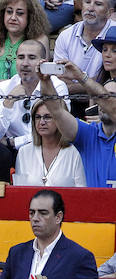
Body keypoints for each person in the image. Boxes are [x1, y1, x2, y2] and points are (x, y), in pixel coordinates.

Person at [0, 189, 102, 279]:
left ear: (58, 217)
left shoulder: (80, 257)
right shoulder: (16, 253)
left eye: (43, 213)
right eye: (32, 213)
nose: (35, 218)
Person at [40, 59, 116, 187]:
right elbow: (57, 111)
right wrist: (45, 81)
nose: (103, 102)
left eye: (111, 97)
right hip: (94, 206)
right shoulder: (90, 133)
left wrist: (81, 77)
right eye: (101, 97)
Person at [0, 39, 69, 151]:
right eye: (20, 57)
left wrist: (14, 142)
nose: (25, 63)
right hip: (11, 153)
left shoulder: (57, 86)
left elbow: (60, 129)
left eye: (32, 57)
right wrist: (8, 101)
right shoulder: (3, 88)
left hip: (48, 148)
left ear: (43, 62)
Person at [14, 100, 86, 186]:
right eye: (37, 117)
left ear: (61, 119)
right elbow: (19, 191)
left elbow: (81, 191)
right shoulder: (24, 152)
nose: (42, 122)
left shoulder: (75, 153)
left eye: (47, 117)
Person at [0, 0, 49, 83]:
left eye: (20, 13)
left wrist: (0, 83)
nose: (13, 17)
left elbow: (39, 79)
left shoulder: (39, 40)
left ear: (30, 16)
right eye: (9, 12)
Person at [53, 0, 112, 98]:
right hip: (68, 101)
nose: (90, 8)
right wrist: (93, 84)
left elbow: (109, 81)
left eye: (98, 4)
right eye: (87, 2)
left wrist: (74, 84)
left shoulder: (114, 34)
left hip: (106, 103)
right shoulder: (65, 35)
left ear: (109, 12)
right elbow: (60, 78)